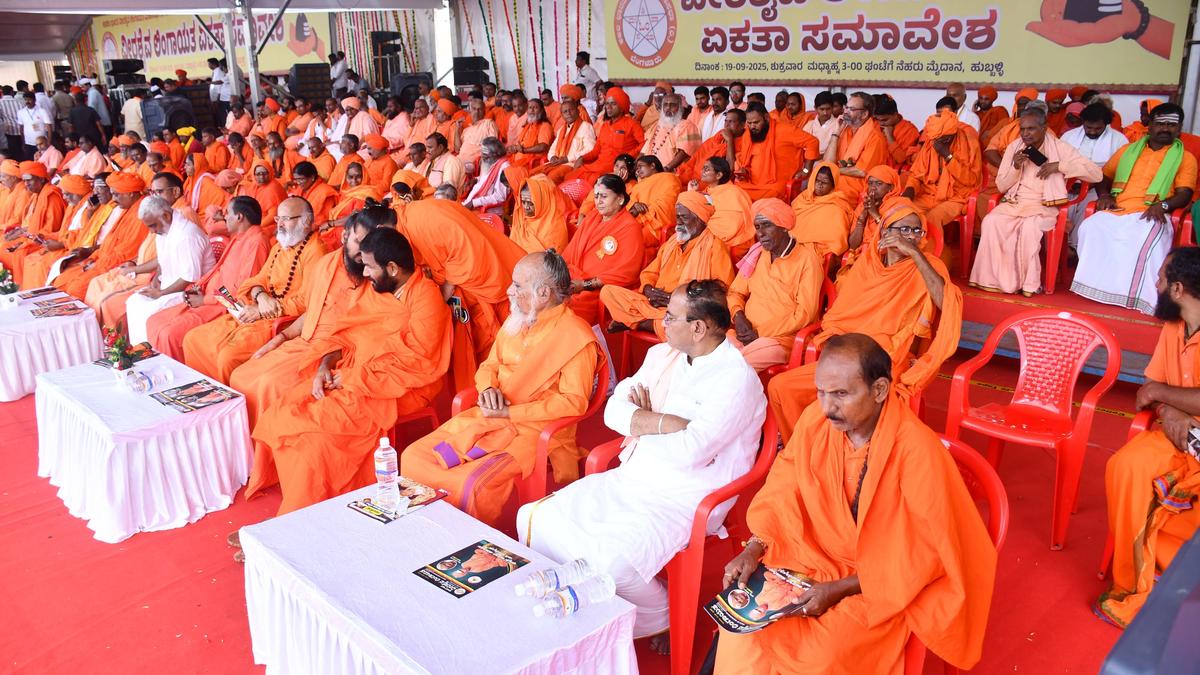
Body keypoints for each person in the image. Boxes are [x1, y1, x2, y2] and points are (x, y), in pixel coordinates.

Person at [714, 334, 996, 673]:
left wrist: (838, 589)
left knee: (817, 656)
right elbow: (782, 491)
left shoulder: (916, 452)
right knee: (742, 632)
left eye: (841, 394)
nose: (827, 407)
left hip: (874, 580)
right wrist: (754, 549)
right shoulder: (814, 425)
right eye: (821, 392)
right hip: (805, 557)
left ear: (878, 390)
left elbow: (926, 552)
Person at [518, 278, 766, 643]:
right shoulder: (663, 355)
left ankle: (661, 614)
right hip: (635, 475)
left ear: (698, 328)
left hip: (687, 496)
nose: (662, 323)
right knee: (535, 517)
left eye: (670, 317)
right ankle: (585, 602)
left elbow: (692, 453)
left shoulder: (736, 380)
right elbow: (614, 409)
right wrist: (662, 423)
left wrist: (643, 425)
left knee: (613, 562)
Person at [247, 225, 452, 518]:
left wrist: (355, 378)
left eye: (368, 267)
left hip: (397, 390)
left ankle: (303, 520)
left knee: (313, 445)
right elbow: (344, 335)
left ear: (392, 268)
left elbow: (418, 363)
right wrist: (324, 366)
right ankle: (301, 507)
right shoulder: (379, 291)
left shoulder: (426, 300)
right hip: (352, 377)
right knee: (285, 408)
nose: (364, 275)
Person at [401, 250, 604, 526]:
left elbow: (573, 403)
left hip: (534, 432)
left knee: (470, 483)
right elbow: (489, 366)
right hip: (487, 417)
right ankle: (420, 533)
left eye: (518, 285)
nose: (510, 291)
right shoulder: (517, 320)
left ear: (543, 293)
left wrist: (510, 414)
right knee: (413, 457)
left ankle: (460, 549)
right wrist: (487, 389)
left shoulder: (575, 337)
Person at [767, 201, 962, 441]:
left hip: (889, 357)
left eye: (915, 231)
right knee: (780, 388)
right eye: (902, 229)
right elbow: (841, 314)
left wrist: (915, 253)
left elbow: (946, 301)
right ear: (884, 233)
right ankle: (801, 449)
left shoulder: (929, 265)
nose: (909, 236)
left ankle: (837, 453)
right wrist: (837, 341)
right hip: (849, 353)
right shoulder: (867, 265)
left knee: (836, 402)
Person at [1098, 247, 1200, 628]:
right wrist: (1169, 409)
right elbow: (1148, 390)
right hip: (1175, 433)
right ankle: (1132, 583)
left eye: (1159, 279)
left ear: (1176, 288)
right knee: (1125, 467)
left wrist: (1164, 397)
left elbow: (1157, 390)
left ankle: (1178, 583)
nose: (1153, 285)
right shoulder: (1172, 327)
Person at [229, 204, 394, 427]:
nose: (363, 254)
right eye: (359, 243)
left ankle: (266, 453)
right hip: (303, 342)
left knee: (268, 385)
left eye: (370, 246)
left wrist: (324, 362)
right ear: (345, 236)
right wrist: (282, 338)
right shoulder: (325, 264)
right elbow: (313, 311)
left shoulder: (374, 278)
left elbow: (356, 335)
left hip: (333, 356)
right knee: (241, 376)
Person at [183, 197, 326, 382]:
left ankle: (227, 407)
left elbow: (307, 303)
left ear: (306, 221)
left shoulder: (316, 252)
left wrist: (261, 310)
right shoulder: (279, 247)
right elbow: (255, 281)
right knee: (193, 338)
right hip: (255, 310)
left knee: (227, 358)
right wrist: (260, 295)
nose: (280, 224)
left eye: (286, 219)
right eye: (278, 219)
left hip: (281, 321)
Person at [1072, 104, 1197, 314]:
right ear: (1150, 125)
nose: (1165, 129)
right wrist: (1104, 195)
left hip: (1154, 211)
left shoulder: (1185, 158)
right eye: (1160, 123)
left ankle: (1138, 297)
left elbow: (1185, 193)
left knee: (1144, 236)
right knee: (1090, 227)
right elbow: (1104, 176)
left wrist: (1164, 205)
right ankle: (1097, 289)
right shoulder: (1128, 151)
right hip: (1120, 208)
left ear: (1179, 128)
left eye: (1171, 125)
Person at [970, 105, 1103, 296]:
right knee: (992, 222)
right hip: (1015, 202)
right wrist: (1015, 166)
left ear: (1044, 127)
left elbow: (1096, 174)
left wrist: (1059, 166)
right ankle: (994, 280)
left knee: (1028, 230)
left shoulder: (1060, 148)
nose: (1025, 133)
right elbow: (1001, 186)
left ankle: (1026, 283)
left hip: (1043, 206)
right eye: (1022, 129)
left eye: (1031, 129)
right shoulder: (1014, 148)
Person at [397, 198, 525, 390]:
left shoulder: (424, 221)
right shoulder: (411, 229)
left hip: (484, 283)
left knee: (503, 345)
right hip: (464, 293)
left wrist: (443, 291)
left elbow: (467, 250)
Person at [144, 196, 270, 359]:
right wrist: (201, 285)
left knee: (169, 333)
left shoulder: (257, 241)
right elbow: (219, 270)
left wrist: (204, 300)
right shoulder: (239, 238)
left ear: (239, 217)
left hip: (223, 307)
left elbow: (241, 291)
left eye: (227, 213)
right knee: (154, 321)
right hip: (209, 298)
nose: (224, 217)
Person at [602, 192, 735, 337]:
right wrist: (648, 289)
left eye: (684, 217)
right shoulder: (672, 242)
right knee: (607, 292)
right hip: (654, 304)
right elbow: (650, 273)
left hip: (686, 310)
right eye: (677, 216)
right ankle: (653, 324)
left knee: (691, 325)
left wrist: (674, 299)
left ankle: (639, 323)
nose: (678, 222)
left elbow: (718, 293)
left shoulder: (716, 247)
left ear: (700, 219)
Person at [728, 199, 824, 371]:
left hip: (782, 339)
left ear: (784, 226)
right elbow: (735, 292)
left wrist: (760, 333)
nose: (761, 233)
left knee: (735, 368)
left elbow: (805, 314)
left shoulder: (807, 260)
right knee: (708, 353)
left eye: (766, 225)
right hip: (745, 333)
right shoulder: (757, 253)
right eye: (757, 227)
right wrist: (738, 316)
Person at [561, 173, 644, 325]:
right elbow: (570, 252)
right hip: (573, 280)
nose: (598, 201)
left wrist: (584, 285)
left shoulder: (630, 228)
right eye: (597, 195)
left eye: (604, 196)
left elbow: (626, 274)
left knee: (565, 310)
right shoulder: (593, 217)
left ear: (620, 199)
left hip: (596, 291)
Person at [902, 109, 983, 243]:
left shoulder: (970, 143)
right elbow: (917, 175)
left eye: (941, 140)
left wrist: (947, 155)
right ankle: (906, 256)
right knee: (905, 213)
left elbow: (971, 180)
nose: (936, 144)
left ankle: (931, 256)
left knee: (933, 218)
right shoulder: (931, 142)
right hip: (929, 194)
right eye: (934, 140)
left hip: (956, 197)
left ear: (952, 135)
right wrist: (910, 189)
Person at [1060, 103, 1128, 231]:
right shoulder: (1068, 137)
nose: (1092, 131)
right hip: (1068, 186)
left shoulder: (1119, 140)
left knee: (1089, 210)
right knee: (1060, 210)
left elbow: (1119, 172)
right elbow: (1059, 163)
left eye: (1098, 129)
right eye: (1088, 127)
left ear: (1106, 125)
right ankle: (1063, 247)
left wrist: (1090, 184)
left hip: (1100, 189)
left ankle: (1076, 247)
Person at [19, 174, 93, 287]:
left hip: (73, 250)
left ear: (78, 193)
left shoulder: (88, 208)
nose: (63, 197)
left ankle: (40, 299)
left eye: (67, 194)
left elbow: (83, 236)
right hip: (64, 245)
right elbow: (63, 232)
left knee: (41, 264)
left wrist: (60, 244)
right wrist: (45, 237)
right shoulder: (73, 206)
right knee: (30, 259)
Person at [0, 162, 65, 284]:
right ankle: (9, 287)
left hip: (43, 240)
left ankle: (21, 289)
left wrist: (25, 235)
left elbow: (51, 228)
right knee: (5, 246)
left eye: (29, 180)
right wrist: (21, 232)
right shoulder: (36, 194)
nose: (26, 184)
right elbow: (31, 223)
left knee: (19, 253)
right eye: (24, 181)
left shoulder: (51, 196)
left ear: (40, 179)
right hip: (32, 237)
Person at [566, 87, 645, 185]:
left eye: (613, 104)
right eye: (607, 103)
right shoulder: (605, 125)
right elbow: (596, 151)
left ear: (622, 107)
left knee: (589, 183)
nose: (608, 107)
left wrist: (627, 157)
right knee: (570, 177)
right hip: (598, 166)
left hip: (614, 168)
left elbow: (644, 144)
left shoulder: (632, 124)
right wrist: (582, 158)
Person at [822, 91, 887, 203]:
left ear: (864, 114)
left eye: (851, 109)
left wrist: (833, 170)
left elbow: (861, 171)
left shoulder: (875, 137)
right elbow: (827, 161)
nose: (845, 111)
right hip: (833, 181)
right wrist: (836, 132)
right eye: (846, 107)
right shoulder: (844, 130)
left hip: (854, 189)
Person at [789, 161, 853, 256]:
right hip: (790, 244)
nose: (819, 185)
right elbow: (788, 222)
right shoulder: (803, 197)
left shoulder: (838, 207)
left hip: (813, 252)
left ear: (833, 185)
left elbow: (837, 239)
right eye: (817, 181)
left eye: (824, 183)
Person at [628, 155, 684, 261]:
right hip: (637, 221)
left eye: (640, 166)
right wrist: (634, 207)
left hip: (655, 225)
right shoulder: (637, 186)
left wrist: (646, 212)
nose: (637, 170)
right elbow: (630, 204)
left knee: (629, 240)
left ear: (653, 165)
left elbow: (668, 203)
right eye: (636, 168)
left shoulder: (669, 178)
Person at [677, 108, 748, 187]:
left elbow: (730, 169)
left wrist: (729, 141)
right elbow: (697, 157)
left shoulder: (745, 142)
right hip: (697, 176)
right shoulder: (719, 137)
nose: (727, 125)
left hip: (714, 182)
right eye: (726, 121)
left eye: (731, 121)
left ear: (742, 125)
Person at [532, 98, 596, 184]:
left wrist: (568, 158)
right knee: (532, 174)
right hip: (557, 163)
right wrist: (552, 157)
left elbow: (590, 149)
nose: (568, 113)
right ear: (562, 115)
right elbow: (552, 148)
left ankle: (550, 197)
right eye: (565, 112)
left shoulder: (586, 127)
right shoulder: (561, 130)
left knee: (551, 177)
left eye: (571, 110)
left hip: (572, 164)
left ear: (578, 111)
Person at [736, 103, 786, 200]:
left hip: (772, 185)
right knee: (736, 189)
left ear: (766, 117)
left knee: (774, 192)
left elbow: (812, 142)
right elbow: (746, 161)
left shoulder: (783, 130)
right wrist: (744, 171)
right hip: (751, 184)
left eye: (756, 122)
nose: (752, 127)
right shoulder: (748, 135)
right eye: (749, 123)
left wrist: (806, 170)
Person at [640, 93, 701, 172]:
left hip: (671, 173)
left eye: (672, 105)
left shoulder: (687, 125)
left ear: (680, 107)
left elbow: (684, 152)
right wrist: (637, 164)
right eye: (665, 105)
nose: (668, 108)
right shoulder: (657, 125)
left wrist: (666, 168)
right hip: (649, 171)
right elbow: (644, 149)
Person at [509, 175, 568, 253]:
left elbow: (550, 261)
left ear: (542, 202)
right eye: (523, 202)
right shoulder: (521, 216)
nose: (526, 207)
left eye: (531, 203)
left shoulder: (555, 227)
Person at [461, 138, 510, 214]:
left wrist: (474, 203)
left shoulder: (505, 168)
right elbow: (487, 178)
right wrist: (476, 180)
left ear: (495, 154)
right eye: (482, 152)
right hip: (471, 203)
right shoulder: (488, 161)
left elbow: (500, 197)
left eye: (485, 154)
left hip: (487, 210)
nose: (482, 156)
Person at [874, 96, 919, 171]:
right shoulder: (875, 124)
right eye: (877, 119)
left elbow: (901, 159)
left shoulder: (910, 130)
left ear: (895, 114)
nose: (881, 123)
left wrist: (890, 137)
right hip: (873, 173)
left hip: (893, 176)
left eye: (884, 120)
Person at [16, 93, 52, 160]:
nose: (27, 102)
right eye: (25, 100)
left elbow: (49, 126)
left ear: (34, 100)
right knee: (31, 161)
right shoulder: (21, 112)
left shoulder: (42, 111)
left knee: (43, 161)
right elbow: (21, 128)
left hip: (42, 142)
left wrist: (49, 141)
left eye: (29, 100)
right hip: (28, 142)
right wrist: (23, 142)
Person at [803, 91, 839, 155]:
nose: (825, 113)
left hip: (830, 162)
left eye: (828, 109)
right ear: (815, 108)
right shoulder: (809, 125)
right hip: (809, 160)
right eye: (822, 109)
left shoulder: (839, 124)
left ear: (832, 107)